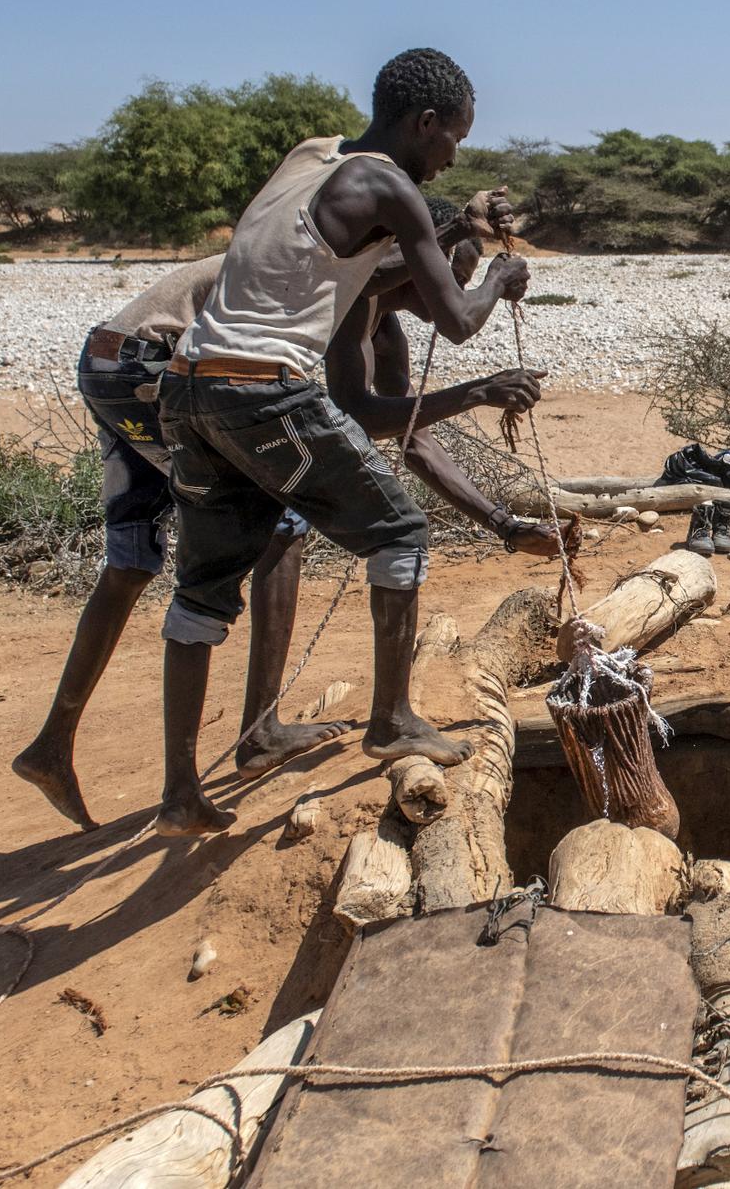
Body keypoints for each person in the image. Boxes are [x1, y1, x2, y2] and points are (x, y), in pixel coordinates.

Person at [12, 194, 547, 830]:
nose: (444, 293)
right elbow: (370, 413)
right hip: (155, 364)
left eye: (455, 279)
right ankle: (257, 736)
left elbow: (409, 438)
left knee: (132, 560)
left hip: (113, 363)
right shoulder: (348, 283)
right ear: (409, 253)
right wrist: (480, 374)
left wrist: (503, 523)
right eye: (443, 272)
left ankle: (52, 745)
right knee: (280, 523)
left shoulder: (376, 321)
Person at [154, 47, 535, 836]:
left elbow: (366, 261)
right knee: (400, 532)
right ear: (425, 123)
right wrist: (499, 278)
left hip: (189, 384)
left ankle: (180, 791)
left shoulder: (313, 156)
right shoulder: (393, 187)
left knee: (201, 590)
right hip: (264, 385)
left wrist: (460, 227)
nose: (452, 157)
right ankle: (392, 719)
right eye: (454, 138)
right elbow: (457, 321)